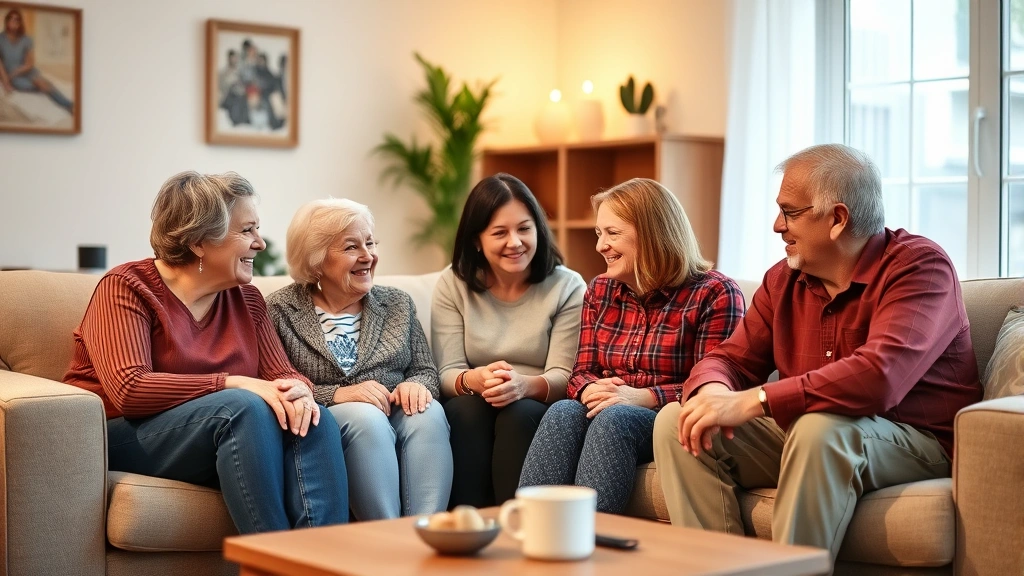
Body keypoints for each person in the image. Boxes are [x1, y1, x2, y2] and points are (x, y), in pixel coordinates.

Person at [652, 144, 982, 568]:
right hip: (814, 431)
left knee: (819, 429)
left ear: (838, 219)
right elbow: (731, 359)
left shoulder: (920, 268)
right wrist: (713, 392)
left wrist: (757, 399)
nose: (777, 226)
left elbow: (879, 376)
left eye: (789, 212)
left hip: (917, 442)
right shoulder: (783, 280)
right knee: (677, 423)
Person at [63, 171, 349, 534]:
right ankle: (272, 562)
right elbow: (130, 389)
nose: (260, 243)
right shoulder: (127, 287)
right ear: (199, 240)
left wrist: (299, 390)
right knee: (243, 408)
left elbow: (283, 374)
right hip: (120, 437)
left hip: (218, 432)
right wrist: (233, 383)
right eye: (247, 230)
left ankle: (322, 563)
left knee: (313, 419)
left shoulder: (248, 300)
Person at [518, 178, 745, 513]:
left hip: (666, 418)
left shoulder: (715, 293)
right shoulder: (601, 290)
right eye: (598, 234)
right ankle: (527, 530)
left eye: (612, 233)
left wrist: (645, 397)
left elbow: (715, 387)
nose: (600, 246)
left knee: (617, 419)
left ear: (652, 233)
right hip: (608, 407)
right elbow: (580, 372)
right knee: (563, 411)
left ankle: (590, 544)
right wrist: (591, 389)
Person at [267, 198, 452, 520]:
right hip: (329, 415)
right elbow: (274, 382)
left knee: (428, 412)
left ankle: (426, 530)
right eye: (352, 247)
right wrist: (337, 394)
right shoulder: (279, 309)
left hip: (396, 404)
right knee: (366, 418)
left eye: (370, 243)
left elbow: (425, 370)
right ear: (316, 260)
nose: (368, 256)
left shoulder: (397, 303)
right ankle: (386, 534)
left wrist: (416, 385)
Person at [432, 173, 587, 507]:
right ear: (477, 240)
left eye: (524, 228)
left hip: (536, 399)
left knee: (519, 414)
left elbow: (566, 376)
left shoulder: (568, 286)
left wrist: (522, 386)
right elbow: (446, 372)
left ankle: (514, 524)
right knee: (466, 410)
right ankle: (467, 524)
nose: (515, 242)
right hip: (475, 395)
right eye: (500, 232)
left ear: (538, 229)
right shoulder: (453, 283)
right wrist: (473, 379)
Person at [0, 8, 74, 113]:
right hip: (13, 76)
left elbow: (29, 64)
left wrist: (14, 73)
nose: (13, 21)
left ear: (20, 22)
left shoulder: (26, 39)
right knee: (42, 85)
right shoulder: (1, 39)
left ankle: (70, 106)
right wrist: (6, 82)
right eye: (10, 19)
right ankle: (69, 105)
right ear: (6, 21)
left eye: (16, 19)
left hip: (26, 71)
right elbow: (0, 64)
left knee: (41, 82)